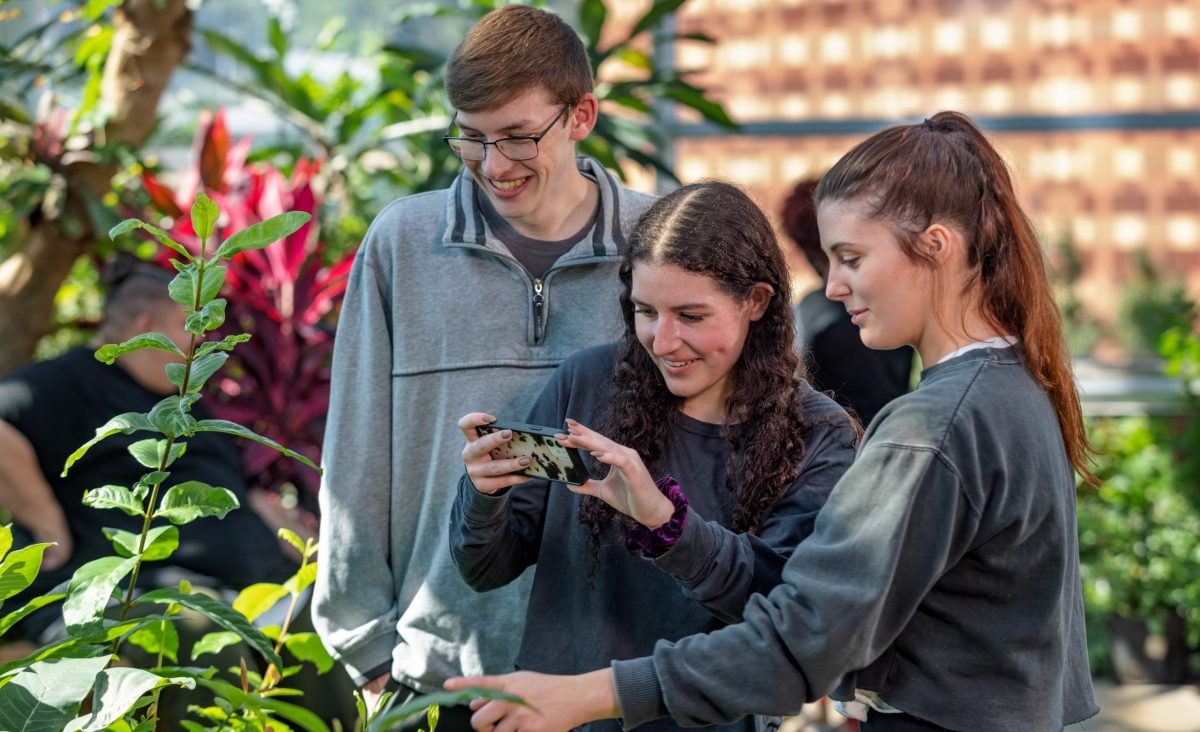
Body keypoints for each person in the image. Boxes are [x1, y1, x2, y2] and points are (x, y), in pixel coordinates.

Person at [445, 111, 1100, 732]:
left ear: (935, 248)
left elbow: (799, 636)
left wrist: (602, 677)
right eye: (645, 311)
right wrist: (484, 493)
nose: (834, 286)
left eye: (850, 257)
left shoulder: (928, 428)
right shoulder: (1014, 387)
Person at [311, 5, 657, 726]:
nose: (494, 164)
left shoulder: (662, 242)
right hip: (440, 678)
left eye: (518, 136)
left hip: (620, 681)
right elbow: (354, 452)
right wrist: (368, 650)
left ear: (582, 115)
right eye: (471, 136)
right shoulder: (403, 243)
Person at [451, 181, 858, 732]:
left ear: (756, 302)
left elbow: (784, 618)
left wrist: (666, 524)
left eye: (690, 316)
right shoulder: (587, 384)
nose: (662, 341)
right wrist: (484, 493)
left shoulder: (817, 434)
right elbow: (485, 568)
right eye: (646, 311)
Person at [0, 261, 293, 641]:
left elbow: (245, 492)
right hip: (142, 597)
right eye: (189, 327)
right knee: (194, 626)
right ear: (144, 329)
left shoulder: (189, 409)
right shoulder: (67, 382)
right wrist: (44, 520)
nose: (201, 341)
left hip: (263, 595)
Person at [781, 178, 913, 427]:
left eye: (849, 258)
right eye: (822, 259)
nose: (833, 284)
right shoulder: (820, 306)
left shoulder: (849, 319)